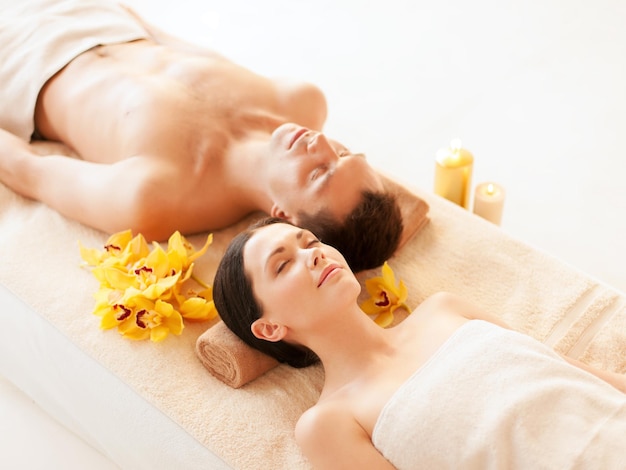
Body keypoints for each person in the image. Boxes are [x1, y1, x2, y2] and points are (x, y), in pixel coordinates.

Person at [0, 0, 402, 272]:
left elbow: (27, 170)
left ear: (286, 217)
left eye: (318, 174)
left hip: (18, 62)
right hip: (96, 14)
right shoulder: (299, 100)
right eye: (343, 152)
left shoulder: (158, 199)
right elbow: (169, 42)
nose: (320, 144)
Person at [213, 217, 626, 469]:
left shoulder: (444, 309)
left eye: (311, 242)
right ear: (269, 328)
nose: (314, 255)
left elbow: (571, 370)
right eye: (283, 264)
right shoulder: (329, 422)